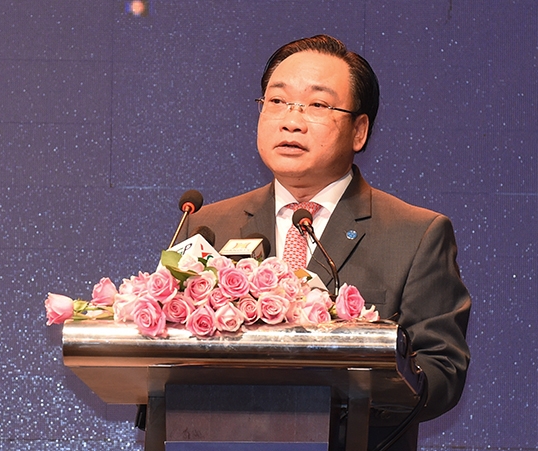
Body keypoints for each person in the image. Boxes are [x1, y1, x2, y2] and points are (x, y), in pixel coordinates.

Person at [178, 34, 471, 450]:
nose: (291, 121)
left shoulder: (416, 233)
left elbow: (442, 371)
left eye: (317, 105)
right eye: (277, 101)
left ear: (359, 131)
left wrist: (342, 396)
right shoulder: (206, 225)